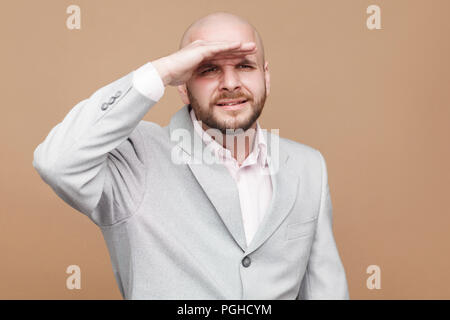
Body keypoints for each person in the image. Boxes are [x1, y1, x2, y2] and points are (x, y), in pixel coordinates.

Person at [33, 12, 349, 300]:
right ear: (182, 86)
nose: (230, 84)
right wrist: (162, 71)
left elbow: (327, 291)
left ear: (265, 76)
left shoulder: (309, 167)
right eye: (208, 69)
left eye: (244, 66)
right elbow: (57, 162)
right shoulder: (136, 157)